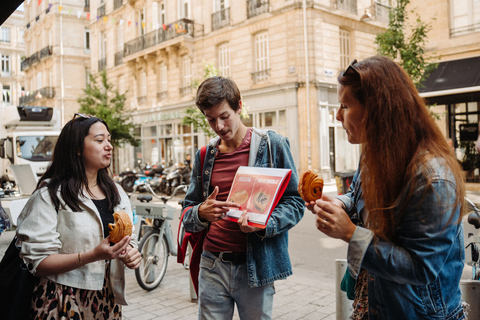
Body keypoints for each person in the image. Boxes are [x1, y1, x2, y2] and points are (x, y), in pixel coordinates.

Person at [307, 56, 467, 319]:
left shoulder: (433, 179)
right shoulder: (374, 155)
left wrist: (350, 233)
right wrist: (340, 204)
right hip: (376, 303)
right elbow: (361, 199)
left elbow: (421, 268)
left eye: (345, 105)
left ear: (377, 109)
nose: (337, 116)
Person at [182, 76, 305, 319]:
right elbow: (187, 212)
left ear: (239, 106)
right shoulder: (205, 155)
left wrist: (264, 224)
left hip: (255, 266)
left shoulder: (273, 146)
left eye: (224, 116)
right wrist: (200, 213)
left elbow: (295, 202)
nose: (218, 126)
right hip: (212, 264)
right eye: (210, 119)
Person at [16, 113, 141, 319]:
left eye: (109, 140)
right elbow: (37, 262)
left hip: (106, 300)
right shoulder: (49, 195)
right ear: (76, 149)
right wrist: (92, 256)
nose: (108, 146)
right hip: (61, 299)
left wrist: (131, 254)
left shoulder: (116, 192)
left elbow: (128, 240)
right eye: (100, 140)